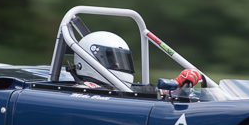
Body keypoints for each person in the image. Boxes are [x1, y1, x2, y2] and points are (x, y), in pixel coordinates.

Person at [74, 31, 203, 90]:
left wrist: (177, 83)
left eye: (121, 59)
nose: (118, 65)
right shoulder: (84, 90)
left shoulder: (115, 88)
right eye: (112, 60)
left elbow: (140, 92)